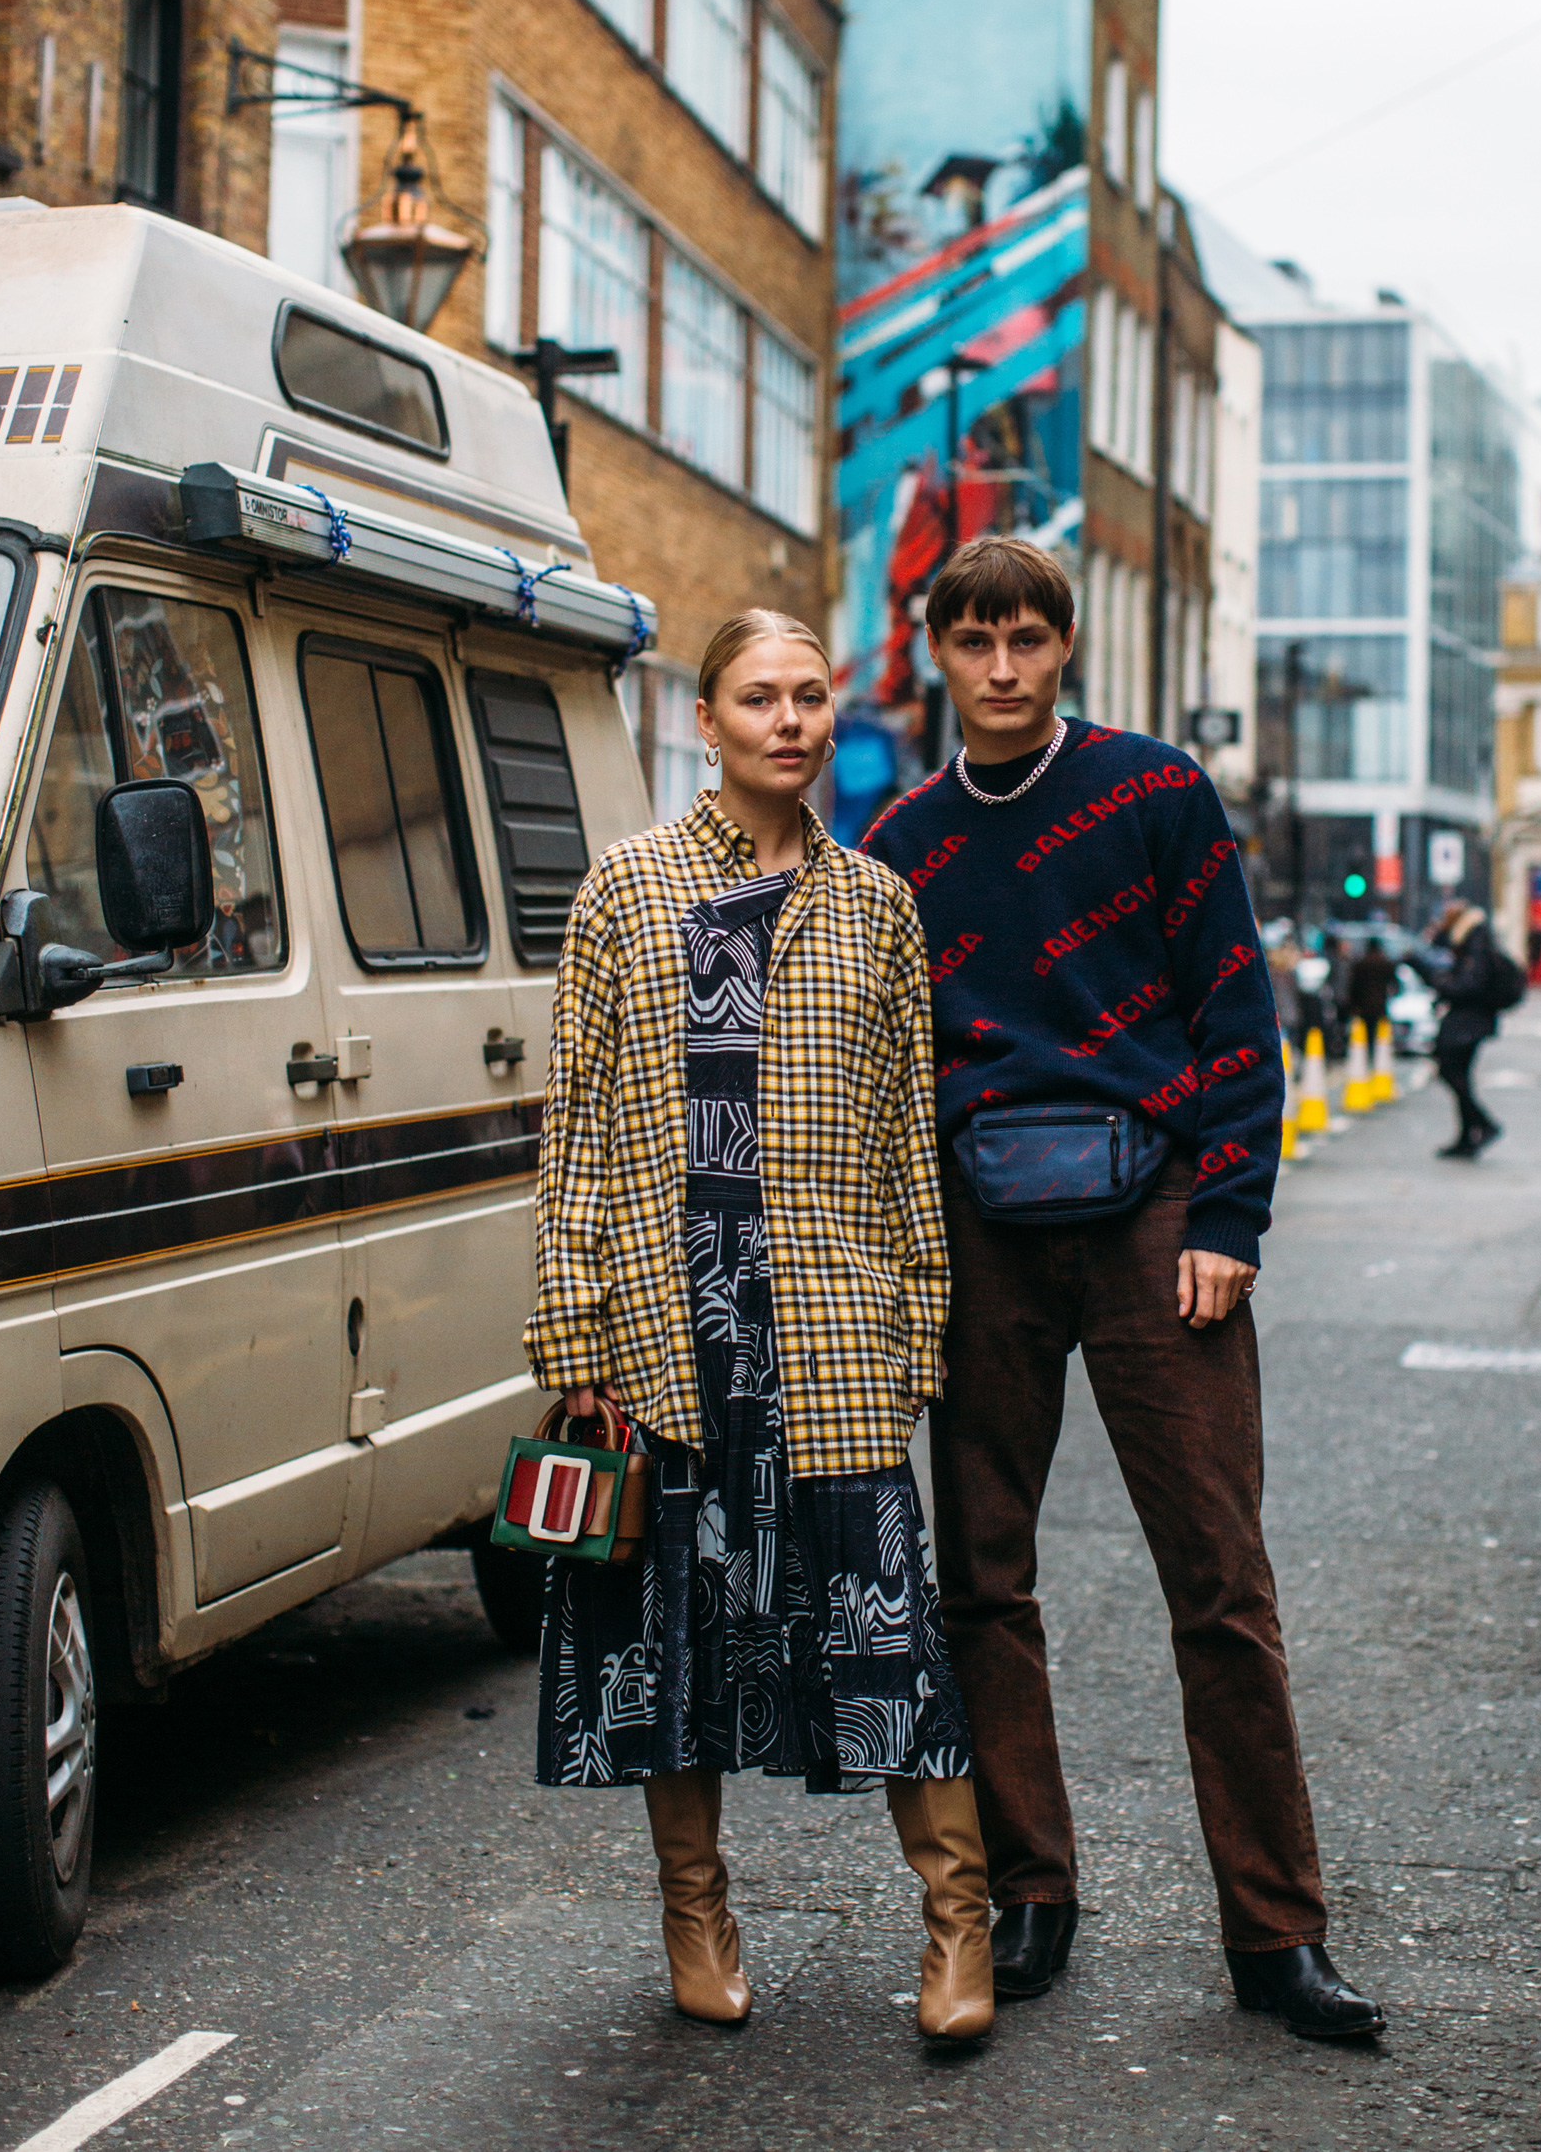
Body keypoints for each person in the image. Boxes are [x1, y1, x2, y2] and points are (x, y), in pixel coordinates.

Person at [862, 533, 1383, 2046]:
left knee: (1219, 1579)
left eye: (1029, 638)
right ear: (939, 653)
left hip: (1159, 1217)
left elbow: (1236, 1002)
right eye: (977, 642)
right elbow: (888, 1070)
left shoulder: (1157, 793)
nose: (1005, 667)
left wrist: (1230, 1211)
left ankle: (1275, 1933)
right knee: (981, 1580)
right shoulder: (901, 842)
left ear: (1065, 643)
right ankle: (1034, 1894)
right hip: (981, 1231)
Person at [527, 609, 993, 2045]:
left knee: (887, 1633)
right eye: (757, 698)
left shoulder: (878, 905)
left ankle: (956, 1922)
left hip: (838, 1325)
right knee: (680, 1642)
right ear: (711, 722)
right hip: (674, 1328)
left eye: (808, 697)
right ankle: (696, 1908)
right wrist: (574, 1335)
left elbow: (910, 1134)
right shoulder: (627, 894)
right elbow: (581, 1130)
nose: (787, 720)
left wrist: (921, 1327)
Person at [1428, 901, 1502, 1159]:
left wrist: (1443, 985)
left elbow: (1469, 984)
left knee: (1452, 1073)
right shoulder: (1468, 939)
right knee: (1458, 1076)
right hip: (1468, 1019)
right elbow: (1438, 947)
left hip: (1471, 1020)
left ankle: (1483, 1124)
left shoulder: (1476, 941)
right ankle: (1468, 1135)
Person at [1347, 935, 1397, 1044]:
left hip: (1364, 1003)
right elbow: (1394, 982)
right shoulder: (1385, 963)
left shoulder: (1361, 964)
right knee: (1378, 1031)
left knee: (1367, 1031)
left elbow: (1354, 986)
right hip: (1380, 1002)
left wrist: (1353, 1004)